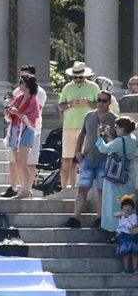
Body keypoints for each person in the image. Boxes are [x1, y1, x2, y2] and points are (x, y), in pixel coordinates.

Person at [70, 90, 118, 227]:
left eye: (104, 100)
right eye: (99, 100)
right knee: (82, 189)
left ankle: (100, 218)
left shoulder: (114, 119)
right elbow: (81, 135)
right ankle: (75, 217)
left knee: (101, 189)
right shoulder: (89, 116)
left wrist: (109, 134)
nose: (101, 103)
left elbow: (117, 141)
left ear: (109, 102)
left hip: (105, 160)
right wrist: (77, 151)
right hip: (88, 158)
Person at [59, 61, 102, 198]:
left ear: (85, 76)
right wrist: (71, 103)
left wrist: (87, 103)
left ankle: (81, 187)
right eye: (75, 77)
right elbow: (61, 106)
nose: (77, 79)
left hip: (87, 127)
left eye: (80, 77)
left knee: (83, 158)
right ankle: (65, 188)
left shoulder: (93, 87)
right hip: (69, 126)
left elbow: (100, 105)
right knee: (67, 159)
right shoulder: (67, 87)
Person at [93, 116, 137, 233]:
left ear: (123, 129)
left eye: (117, 127)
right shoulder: (133, 139)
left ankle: (114, 230)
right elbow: (118, 146)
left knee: (113, 203)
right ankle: (128, 229)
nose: (115, 129)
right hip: (129, 175)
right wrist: (110, 137)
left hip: (115, 177)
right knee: (128, 204)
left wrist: (100, 136)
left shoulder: (120, 141)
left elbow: (103, 149)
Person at [4, 73, 42, 200]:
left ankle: (25, 190)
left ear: (27, 85)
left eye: (21, 82)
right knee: (17, 161)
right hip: (15, 129)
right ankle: (24, 189)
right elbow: (11, 113)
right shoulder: (19, 98)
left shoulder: (33, 100)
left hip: (26, 131)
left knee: (22, 161)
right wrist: (8, 110)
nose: (19, 84)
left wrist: (17, 113)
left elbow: (32, 120)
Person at [118, 195, 138, 274]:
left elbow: (136, 224)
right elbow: (115, 214)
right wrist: (123, 214)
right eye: (125, 206)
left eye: (129, 206)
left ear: (132, 208)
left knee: (135, 254)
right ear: (122, 207)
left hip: (133, 236)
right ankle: (125, 269)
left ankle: (135, 269)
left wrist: (134, 226)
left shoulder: (134, 216)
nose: (127, 208)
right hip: (124, 236)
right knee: (125, 254)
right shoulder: (121, 215)